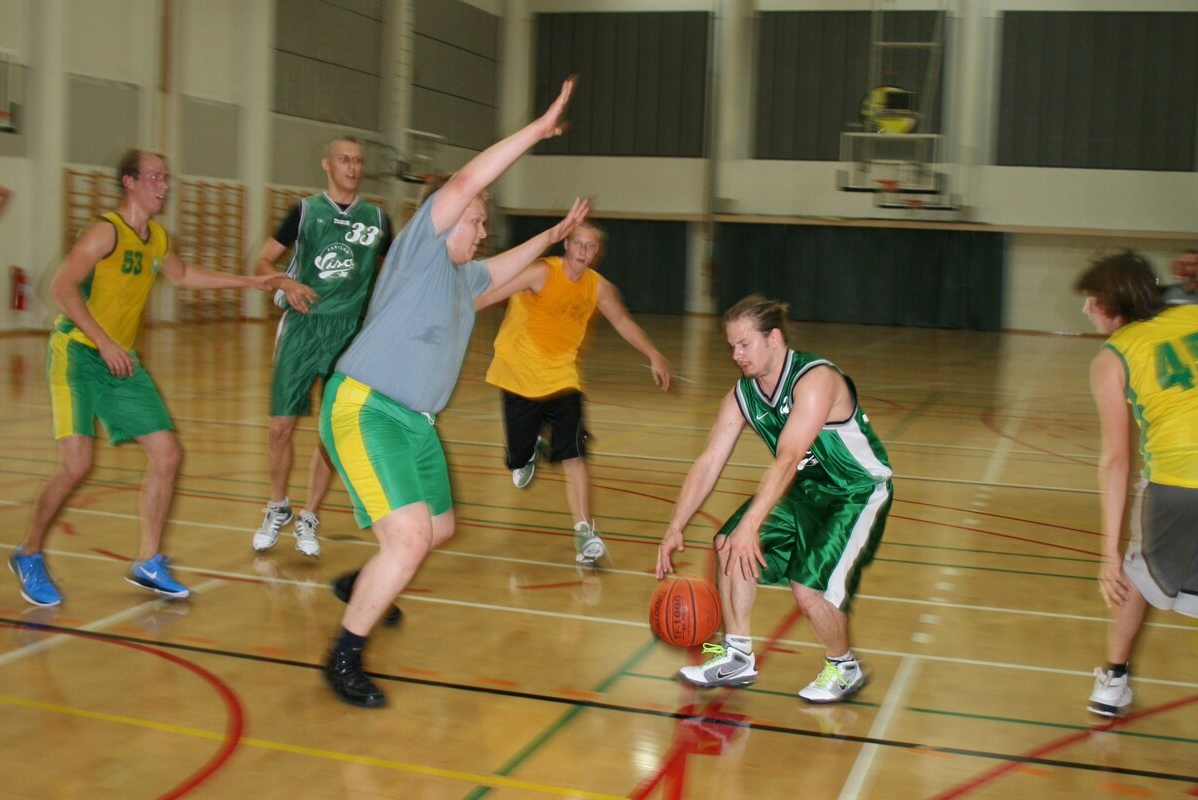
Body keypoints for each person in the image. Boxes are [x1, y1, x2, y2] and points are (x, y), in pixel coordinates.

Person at [319, 77, 589, 708]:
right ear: (443, 219)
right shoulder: (420, 249)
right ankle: (344, 655)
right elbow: (466, 182)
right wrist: (537, 129)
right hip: (367, 407)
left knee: (438, 528)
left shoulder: (462, 278)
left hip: (416, 423)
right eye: (476, 220)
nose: (483, 229)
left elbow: (510, 268)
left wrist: (555, 235)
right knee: (411, 538)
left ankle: (365, 582)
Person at [8, 149, 270, 607]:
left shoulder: (158, 239)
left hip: (120, 361)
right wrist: (103, 341)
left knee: (167, 453)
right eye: (154, 177)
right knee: (76, 465)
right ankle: (28, 554)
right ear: (129, 182)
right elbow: (60, 287)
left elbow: (183, 275)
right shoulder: (106, 231)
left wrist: (250, 283)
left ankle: (148, 561)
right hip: (78, 354)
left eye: (166, 178)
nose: (164, 186)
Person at [655, 295, 892, 703]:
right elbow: (709, 461)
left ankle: (844, 666)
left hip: (854, 492)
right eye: (732, 346)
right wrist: (676, 525)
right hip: (803, 486)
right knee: (728, 545)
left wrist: (752, 525)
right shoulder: (742, 395)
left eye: (745, 344)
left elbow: (788, 456)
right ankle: (737, 655)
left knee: (808, 589)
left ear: (775, 339)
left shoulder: (815, 380)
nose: (736, 355)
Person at [474, 220, 672, 564]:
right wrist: (448, 313)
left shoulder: (598, 287)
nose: (583, 250)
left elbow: (623, 321)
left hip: (562, 379)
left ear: (597, 252)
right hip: (518, 374)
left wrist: (653, 354)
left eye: (590, 245)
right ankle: (529, 450)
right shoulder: (541, 272)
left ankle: (584, 532)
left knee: (574, 455)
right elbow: (491, 293)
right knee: (517, 458)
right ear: (566, 244)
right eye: (578, 243)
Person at [250, 136, 393, 558]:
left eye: (358, 161)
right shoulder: (304, 211)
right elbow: (262, 263)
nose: (353, 166)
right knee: (280, 426)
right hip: (303, 325)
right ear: (327, 164)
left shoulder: (378, 219)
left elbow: (394, 273)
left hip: (348, 333)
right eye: (344, 159)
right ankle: (278, 506)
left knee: (332, 431)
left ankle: (310, 514)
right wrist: (286, 282)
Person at [1074, 251, 1198, 717]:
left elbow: (1116, 460)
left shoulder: (1114, 356)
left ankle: (1114, 680)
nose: (1086, 309)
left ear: (1115, 304)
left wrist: (1108, 553)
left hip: (1176, 483)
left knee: (1134, 574)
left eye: (1093, 300)